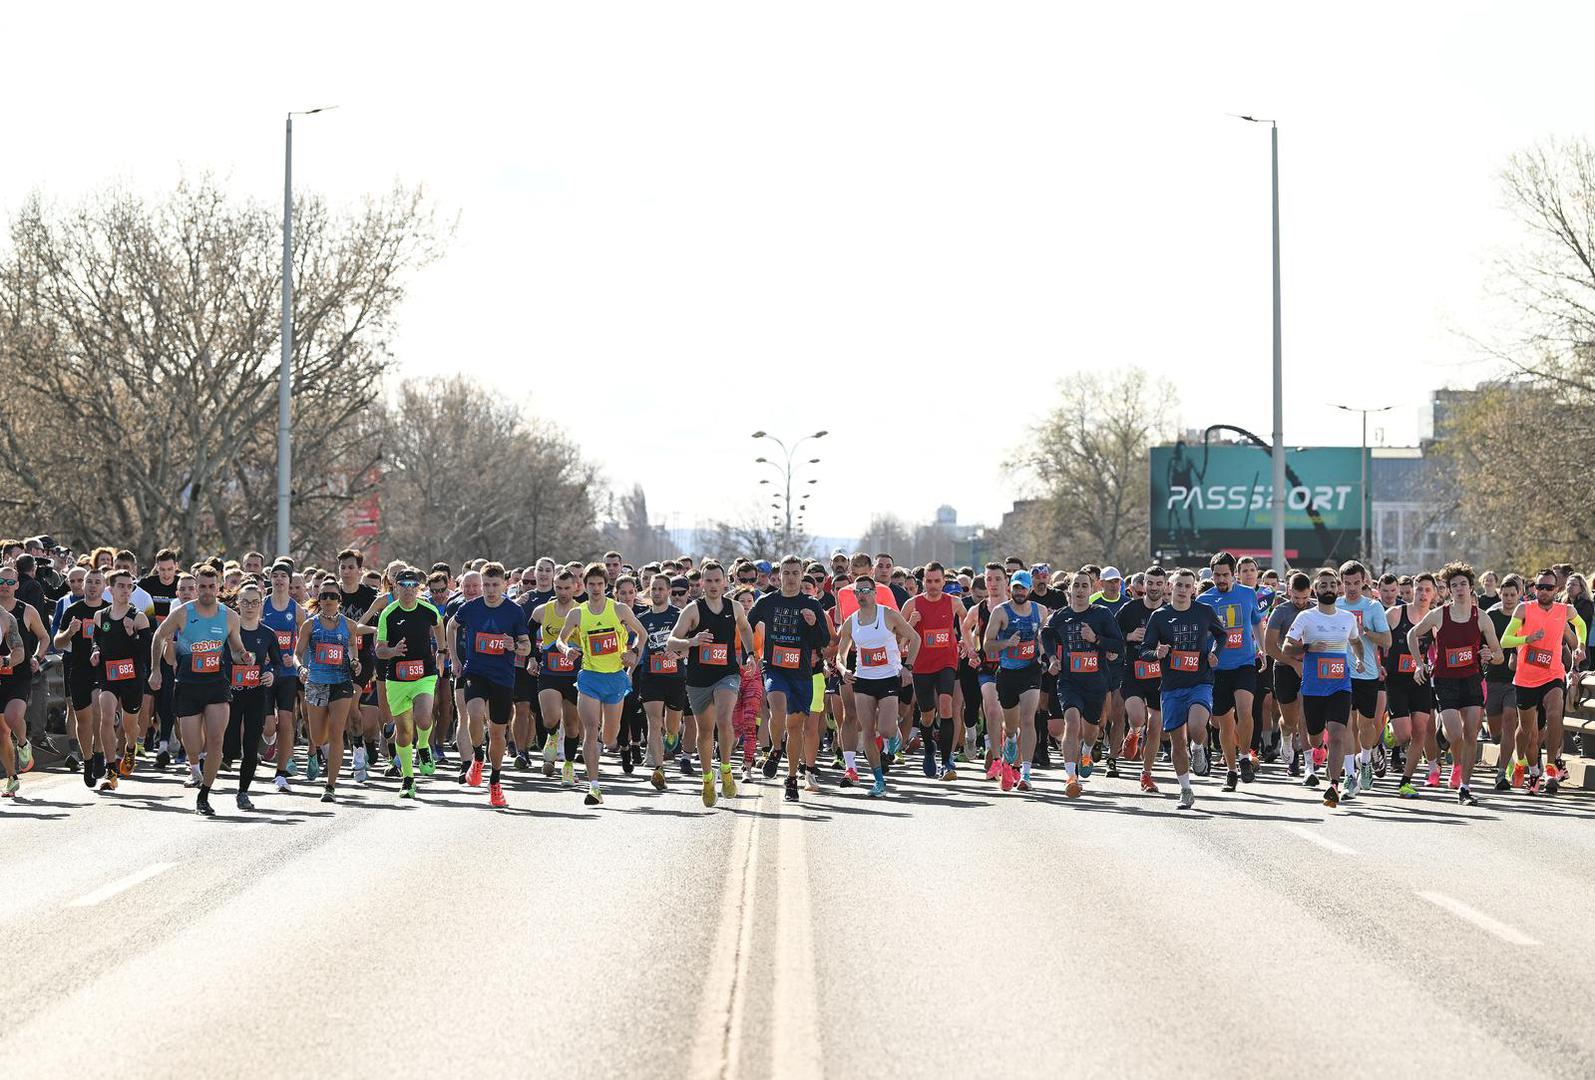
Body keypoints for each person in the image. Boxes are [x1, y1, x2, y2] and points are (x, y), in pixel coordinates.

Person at [147, 565, 255, 815]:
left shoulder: (229, 616)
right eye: (202, 586)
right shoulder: (183, 612)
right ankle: (194, 764)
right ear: (196, 587)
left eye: (211, 586)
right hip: (187, 685)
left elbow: (236, 647)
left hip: (216, 684)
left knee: (216, 739)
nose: (207, 591)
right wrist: (155, 670)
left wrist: (244, 656)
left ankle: (204, 793)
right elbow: (159, 636)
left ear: (219, 587)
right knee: (192, 744)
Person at [1406, 561, 1504, 806]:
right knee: (1455, 732)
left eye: (1463, 584)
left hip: (1471, 680)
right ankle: (1443, 732)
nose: (1459, 588)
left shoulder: (1481, 617)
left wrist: (1489, 656)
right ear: (1448, 590)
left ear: (1471, 588)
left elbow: (1499, 654)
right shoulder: (1440, 614)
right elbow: (1412, 634)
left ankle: (1465, 787)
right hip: (1445, 680)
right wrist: (1419, 664)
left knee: (1471, 733)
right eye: (1454, 585)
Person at [555, 564, 647, 807]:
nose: (595, 588)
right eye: (591, 584)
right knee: (590, 729)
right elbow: (560, 639)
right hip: (589, 677)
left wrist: (633, 653)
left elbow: (642, 634)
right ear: (583, 586)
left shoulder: (619, 609)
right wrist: (567, 650)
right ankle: (594, 786)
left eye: (599, 584)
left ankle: (611, 743)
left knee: (608, 738)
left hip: (615, 677)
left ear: (606, 586)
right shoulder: (577, 613)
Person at [668, 560, 755, 808]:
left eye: (718, 580)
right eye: (709, 581)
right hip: (698, 679)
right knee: (705, 731)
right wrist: (693, 641)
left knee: (724, 719)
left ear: (725, 582)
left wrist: (750, 654)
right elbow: (672, 642)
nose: (714, 585)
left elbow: (746, 629)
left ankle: (725, 768)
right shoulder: (693, 610)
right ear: (701, 584)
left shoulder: (735, 607)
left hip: (727, 674)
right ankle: (708, 778)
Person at [1141, 568, 1227, 810]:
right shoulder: (1159, 616)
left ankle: (1199, 747)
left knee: (1198, 726)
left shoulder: (1204, 612)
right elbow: (1144, 650)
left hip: (1200, 680)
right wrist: (1156, 653)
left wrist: (1214, 654)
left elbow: (1222, 636)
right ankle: (1186, 790)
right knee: (1178, 742)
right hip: (1171, 686)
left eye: (1187, 586)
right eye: (1178, 585)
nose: (1182, 590)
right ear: (1170, 586)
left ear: (1194, 589)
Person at [748, 555, 830, 802]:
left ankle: (792, 777)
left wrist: (814, 623)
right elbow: (746, 624)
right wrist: (750, 654)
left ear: (801, 574)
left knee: (795, 727)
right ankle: (775, 748)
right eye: (787, 573)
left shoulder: (811, 604)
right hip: (775, 668)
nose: (791, 578)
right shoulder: (767, 602)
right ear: (779, 575)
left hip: (802, 674)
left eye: (796, 573)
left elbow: (823, 641)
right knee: (777, 707)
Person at [450, 563, 533, 809]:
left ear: (505, 585)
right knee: (474, 715)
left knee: (497, 733)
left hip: (503, 678)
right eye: (486, 585)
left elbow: (526, 647)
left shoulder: (514, 611)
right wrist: (453, 657)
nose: (490, 590)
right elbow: (451, 626)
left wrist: (513, 647)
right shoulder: (470, 607)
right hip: (475, 671)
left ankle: (495, 782)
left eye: (495, 585)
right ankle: (477, 757)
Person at [1282, 568, 1365, 808]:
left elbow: (1356, 641)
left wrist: (1359, 659)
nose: (1328, 589)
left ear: (1338, 588)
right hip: (1313, 687)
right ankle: (1319, 748)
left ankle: (1335, 785)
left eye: (1331, 585)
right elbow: (1287, 648)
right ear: (1315, 590)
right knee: (1315, 737)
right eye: (1323, 585)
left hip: (1340, 684)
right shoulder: (1306, 618)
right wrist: (1307, 648)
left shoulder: (1347, 618)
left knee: (1339, 733)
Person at [1501, 569, 1586, 795]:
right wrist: (1526, 639)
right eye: (1540, 587)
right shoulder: (1523, 609)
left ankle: (1550, 765)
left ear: (1556, 589)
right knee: (1526, 730)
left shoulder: (1564, 610)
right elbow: (1505, 639)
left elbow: (1581, 626)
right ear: (1534, 588)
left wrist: (1581, 645)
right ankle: (1520, 763)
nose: (1544, 591)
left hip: (1552, 674)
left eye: (1549, 587)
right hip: (1526, 678)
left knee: (1555, 712)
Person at [834, 574, 920, 798]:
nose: (862, 595)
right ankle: (879, 780)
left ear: (874, 593)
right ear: (854, 596)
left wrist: (908, 666)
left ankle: (895, 736)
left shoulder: (888, 615)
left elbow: (915, 638)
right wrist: (844, 671)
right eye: (858, 592)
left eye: (866, 591)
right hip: (863, 680)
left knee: (886, 729)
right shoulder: (852, 621)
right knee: (868, 733)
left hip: (889, 677)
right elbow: (840, 655)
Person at [1043, 570, 1124, 798]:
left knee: (1091, 730)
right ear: (1069, 590)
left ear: (1092, 589)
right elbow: (1046, 635)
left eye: (1084, 586)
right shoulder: (1060, 615)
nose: (1079, 590)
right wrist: (1051, 658)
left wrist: (1096, 639)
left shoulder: (1102, 614)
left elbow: (1118, 645)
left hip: (1096, 682)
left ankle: (1087, 751)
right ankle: (1070, 776)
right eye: (1076, 586)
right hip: (1069, 681)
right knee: (1071, 723)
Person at [1193, 552, 1266, 791]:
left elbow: (1256, 621)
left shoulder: (1247, 593)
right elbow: (1200, 634)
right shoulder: (1204, 599)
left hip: (1244, 662)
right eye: (1217, 575)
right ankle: (1231, 771)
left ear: (1233, 574)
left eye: (1225, 575)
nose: (1221, 579)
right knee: (1224, 723)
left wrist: (1262, 649)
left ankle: (1245, 756)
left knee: (1245, 710)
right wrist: (1204, 657)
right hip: (1218, 667)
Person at [374, 568, 446, 800]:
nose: (407, 589)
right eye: (402, 585)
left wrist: (442, 650)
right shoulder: (388, 613)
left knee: (424, 717)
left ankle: (424, 746)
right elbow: (379, 650)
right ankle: (408, 779)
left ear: (418, 587)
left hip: (424, 674)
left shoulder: (427, 609)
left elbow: (439, 624)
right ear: (395, 587)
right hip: (397, 679)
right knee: (403, 734)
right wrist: (393, 651)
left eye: (411, 585)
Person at [981, 569, 1045, 793]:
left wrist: (1046, 652)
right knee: (1011, 727)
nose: (1019, 592)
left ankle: (1025, 773)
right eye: (1016, 588)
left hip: (1031, 672)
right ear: (1011, 588)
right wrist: (1006, 643)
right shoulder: (1000, 612)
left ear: (1029, 589)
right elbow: (987, 645)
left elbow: (1044, 639)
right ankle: (1009, 740)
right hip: (1007, 674)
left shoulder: (1040, 611)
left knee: (1028, 719)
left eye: (1023, 588)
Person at [1335, 560, 1391, 793]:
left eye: (1356, 583)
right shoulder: (1335, 605)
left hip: (1366, 673)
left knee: (1366, 725)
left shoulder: (1373, 607)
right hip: (1341, 673)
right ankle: (1349, 773)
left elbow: (1387, 641)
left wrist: (1363, 631)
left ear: (1364, 581)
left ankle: (1365, 761)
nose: (1352, 588)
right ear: (1341, 583)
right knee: (1346, 723)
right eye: (1347, 583)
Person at [228, 582, 281, 811]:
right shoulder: (229, 631)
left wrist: (270, 674)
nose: (250, 606)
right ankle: (223, 758)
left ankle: (243, 792)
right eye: (245, 602)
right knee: (228, 743)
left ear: (261, 605)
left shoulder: (267, 634)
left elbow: (277, 663)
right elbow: (219, 659)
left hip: (256, 695)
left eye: (255, 602)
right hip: (229, 695)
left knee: (251, 745)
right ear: (238, 603)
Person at [1117, 565, 1168, 792]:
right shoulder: (1129, 610)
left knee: (1156, 727)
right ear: (1143, 585)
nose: (1154, 588)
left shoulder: (1170, 612)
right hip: (1133, 671)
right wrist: (1127, 636)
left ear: (1165, 586)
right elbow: (1111, 636)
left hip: (1160, 674)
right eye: (1151, 583)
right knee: (1138, 717)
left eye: (1159, 584)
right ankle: (1134, 732)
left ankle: (1146, 774)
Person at [635, 572, 685, 791]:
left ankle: (672, 735)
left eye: (661, 589)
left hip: (675, 676)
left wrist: (679, 654)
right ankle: (659, 768)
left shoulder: (679, 615)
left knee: (671, 725)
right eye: (653, 589)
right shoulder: (643, 619)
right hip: (651, 675)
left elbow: (688, 644)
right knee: (654, 721)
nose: (656, 592)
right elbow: (637, 645)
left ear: (668, 592)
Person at [0, 564, 49, 782]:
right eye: (1, 582)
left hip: (19, 672)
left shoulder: (25, 611)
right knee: (2, 730)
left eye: (10, 582)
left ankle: (22, 743)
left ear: (17, 585)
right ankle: (12, 778)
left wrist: (37, 658)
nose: (5, 586)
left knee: (11, 717)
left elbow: (44, 637)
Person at [1265, 573, 1316, 782]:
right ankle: (1286, 736)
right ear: (1289, 592)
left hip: (1310, 667)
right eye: (1296, 598)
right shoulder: (1281, 611)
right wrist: (1293, 663)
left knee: (1305, 717)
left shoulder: (1316, 609)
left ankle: (1307, 764)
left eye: (1304, 598)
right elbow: (1269, 646)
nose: (1301, 602)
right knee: (1290, 719)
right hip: (1285, 666)